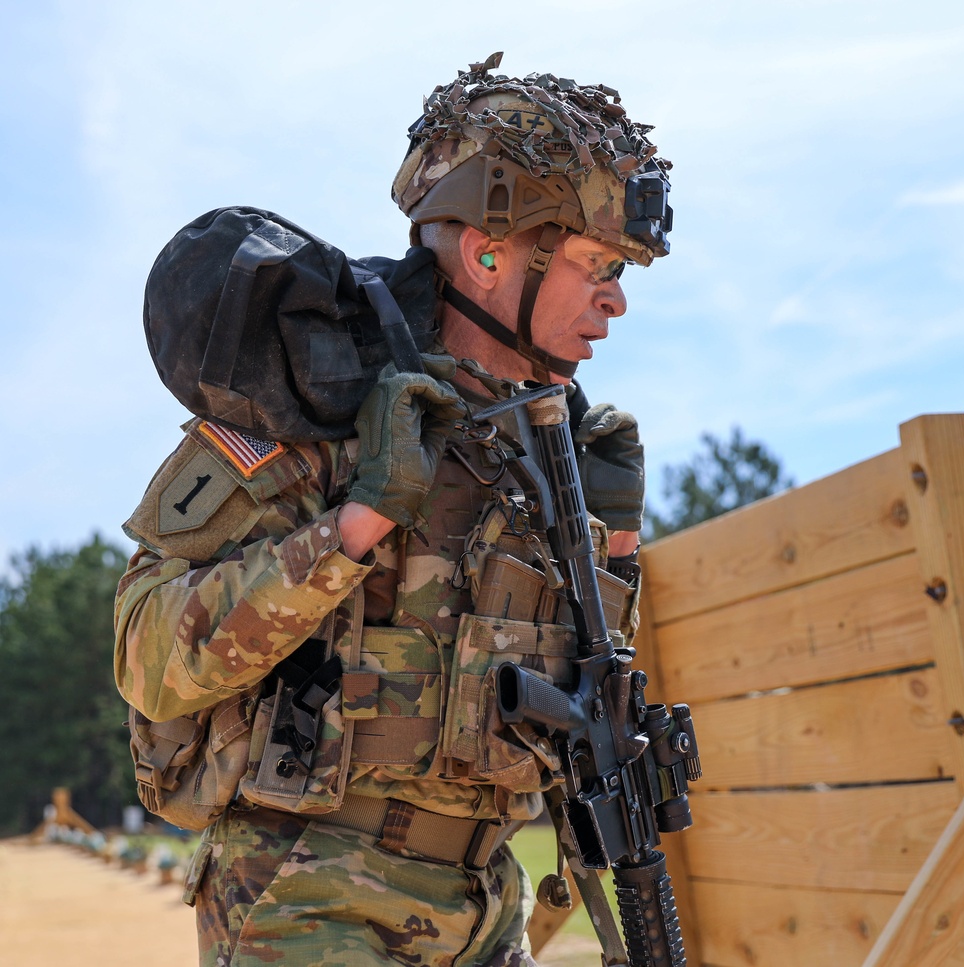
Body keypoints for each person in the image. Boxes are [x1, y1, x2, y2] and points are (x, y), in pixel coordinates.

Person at [114, 52, 672, 967]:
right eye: (595, 264)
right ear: (491, 254)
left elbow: (572, 700)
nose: (615, 299)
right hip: (307, 897)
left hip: (486, 905)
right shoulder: (318, 401)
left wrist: (613, 549)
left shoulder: (543, 445)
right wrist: (358, 523)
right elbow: (147, 657)